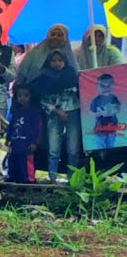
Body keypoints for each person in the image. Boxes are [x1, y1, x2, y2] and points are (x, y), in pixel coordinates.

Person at [31, 50, 82, 179]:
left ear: (65, 61)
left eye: (60, 60)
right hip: (53, 115)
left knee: (73, 149)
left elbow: (79, 92)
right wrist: (56, 111)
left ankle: (72, 179)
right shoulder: (43, 78)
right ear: (49, 63)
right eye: (53, 61)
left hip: (73, 112)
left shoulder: (71, 74)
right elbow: (41, 99)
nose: (57, 63)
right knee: (53, 149)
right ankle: (52, 178)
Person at [5, 84, 42, 184]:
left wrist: (35, 142)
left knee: (25, 161)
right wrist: (8, 138)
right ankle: (12, 176)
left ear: (30, 96)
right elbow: (11, 126)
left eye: (26, 95)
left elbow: (37, 128)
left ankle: (28, 180)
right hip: (15, 142)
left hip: (27, 143)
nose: (22, 98)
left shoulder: (34, 112)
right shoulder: (15, 111)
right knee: (12, 159)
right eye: (19, 96)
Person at [88, 72, 122, 151]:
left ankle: (110, 159)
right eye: (103, 86)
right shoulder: (96, 100)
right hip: (100, 128)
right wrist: (99, 113)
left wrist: (113, 111)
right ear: (97, 86)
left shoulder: (114, 98)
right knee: (100, 146)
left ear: (113, 85)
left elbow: (118, 109)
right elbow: (91, 112)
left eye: (108, 86)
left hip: (112, 127)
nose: (106, 88)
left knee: (111, 144)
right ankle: (102, 160)